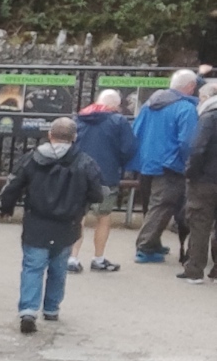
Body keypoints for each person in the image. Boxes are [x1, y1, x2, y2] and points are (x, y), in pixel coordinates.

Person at [0, 115, 104, 334]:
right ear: (74, 137)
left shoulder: (32, 158)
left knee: (33, 267)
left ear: (49, 134)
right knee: (58, 268)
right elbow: (97, 193)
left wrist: (6, 207)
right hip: (67, 224)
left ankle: (28, 310)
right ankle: (52, 308)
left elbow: (13, 185)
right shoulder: (85, 162)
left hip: (36, 222)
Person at [132, 69, 202, 262]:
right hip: (170, 165)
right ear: (190, 87)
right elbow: (187, 142)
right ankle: (145, 247)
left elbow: (136, 131)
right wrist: (189, 164)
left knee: (152, 205)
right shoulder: (186, 108)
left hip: (146, 162)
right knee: (162, 206)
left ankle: (153, 243)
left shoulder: (150, 104)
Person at [69, 88, 136, 272]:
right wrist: (118, 163)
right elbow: (128, 148)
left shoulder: (78, 118)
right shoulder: (119, 121)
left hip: (79, 174)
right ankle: (98, 259)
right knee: (104, 217)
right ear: (115, 105)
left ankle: (72, 258)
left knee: (78, 217)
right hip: (106, 175)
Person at [177, 82, 217, 284]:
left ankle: (195, 270)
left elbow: (198, 148)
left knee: (199, 223)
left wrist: (190, 173)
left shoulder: (209, 117)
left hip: (205, 179)